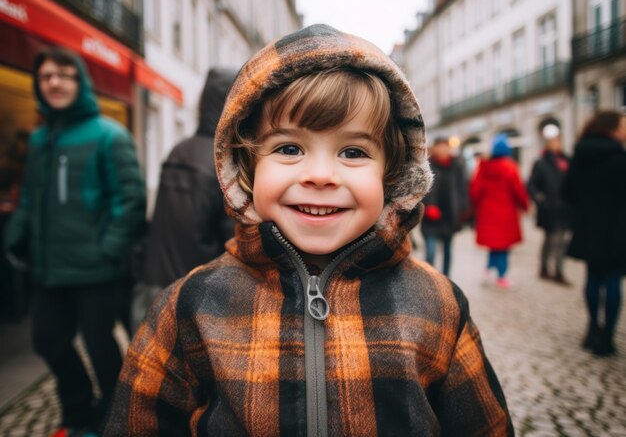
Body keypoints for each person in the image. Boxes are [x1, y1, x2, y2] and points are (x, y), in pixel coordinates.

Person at [104, 24, 513, 436]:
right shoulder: (188, 307)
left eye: (353, 152)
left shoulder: (437, 305)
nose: (320, 175)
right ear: (245, 167)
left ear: (391, 175)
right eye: (289, 148)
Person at [3, 47, 146, 436]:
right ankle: (78, 411)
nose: (54, 82)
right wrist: (16, 238)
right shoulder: (39, 139)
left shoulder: (108, 134)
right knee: (48, 341)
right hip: (48, 267)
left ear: (79, 82)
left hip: (96, 270)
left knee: (101, 349)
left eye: (64, 75)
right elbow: (31, 197)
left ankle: (114, 419)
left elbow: (130, 199)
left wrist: (108, 249)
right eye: (46, 76)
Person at [131, 68, 238, 333]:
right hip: (196, 289)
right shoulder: (222, 159)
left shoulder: (182, 149)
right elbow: (228, 236)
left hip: (159, 280)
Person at [562, 110, 626, 356]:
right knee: (612, 281)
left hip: (588, 227)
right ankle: (607, 336)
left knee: (593, 278)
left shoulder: (580, 154)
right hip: (616, 229)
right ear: (612, 129)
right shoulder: (620, 157)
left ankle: (592, 328)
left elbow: (567, 192)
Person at [470, 133, 529, 289]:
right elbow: (518, 190)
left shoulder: (483, 167)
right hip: (506, 213)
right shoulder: (510, 167)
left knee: (494, 245)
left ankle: (488, 270)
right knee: (503, 246)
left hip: (487, 212)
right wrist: (525, 205)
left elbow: (475, 192)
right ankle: (501, 276)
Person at [527, 125, 571, 285]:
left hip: (565, 208)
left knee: (562, 241)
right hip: (550, 209)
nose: (554, 144)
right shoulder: (541, 163)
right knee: (551, 239)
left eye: (556, 141)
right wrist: (541, 199)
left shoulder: (566, 160)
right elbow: (532, 185)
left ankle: (559, 270)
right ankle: (545, 267)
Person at [420, 137, 468, 276]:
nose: (442, 150)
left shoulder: (457, 166)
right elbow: (420, 190)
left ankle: (447, 279)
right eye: (439, 147)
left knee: (447, 251)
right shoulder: (427, 165)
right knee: (430, 252)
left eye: (445, 147)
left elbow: (463, 188)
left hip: (450, 216)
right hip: (431, 219)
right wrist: (427, 206)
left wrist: (462, 209)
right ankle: (429, 279)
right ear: (434, 148)